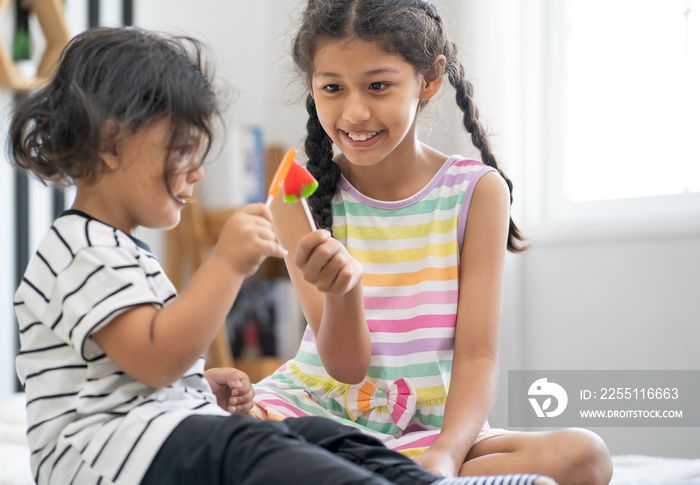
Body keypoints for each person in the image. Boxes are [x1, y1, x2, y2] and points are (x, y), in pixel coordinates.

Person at [9, 26, 553, 485]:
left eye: (378, 84)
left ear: (428, 80)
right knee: (265, 450)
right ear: (111, 143)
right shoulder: (78, 249)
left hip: (154, 435)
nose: (197, 173)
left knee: (321, 439)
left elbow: (142, 363)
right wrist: (224, 266)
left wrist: (200, 382)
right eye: (181, 153)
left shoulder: (112, 249)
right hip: (111, 458)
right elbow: (156, 359)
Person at [253, 1, 613, 484]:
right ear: (311, 86)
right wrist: (343, 291)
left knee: (584, 456)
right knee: (209, 429)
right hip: (315, 414)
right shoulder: (297, 196)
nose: (355, 111)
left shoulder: (477, 192)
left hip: (430, 427)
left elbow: (477, 356)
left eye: (378, 85)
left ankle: (381, 473)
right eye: (332, 88)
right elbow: (345, 367)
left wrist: (446, 453)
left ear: (429, 78)